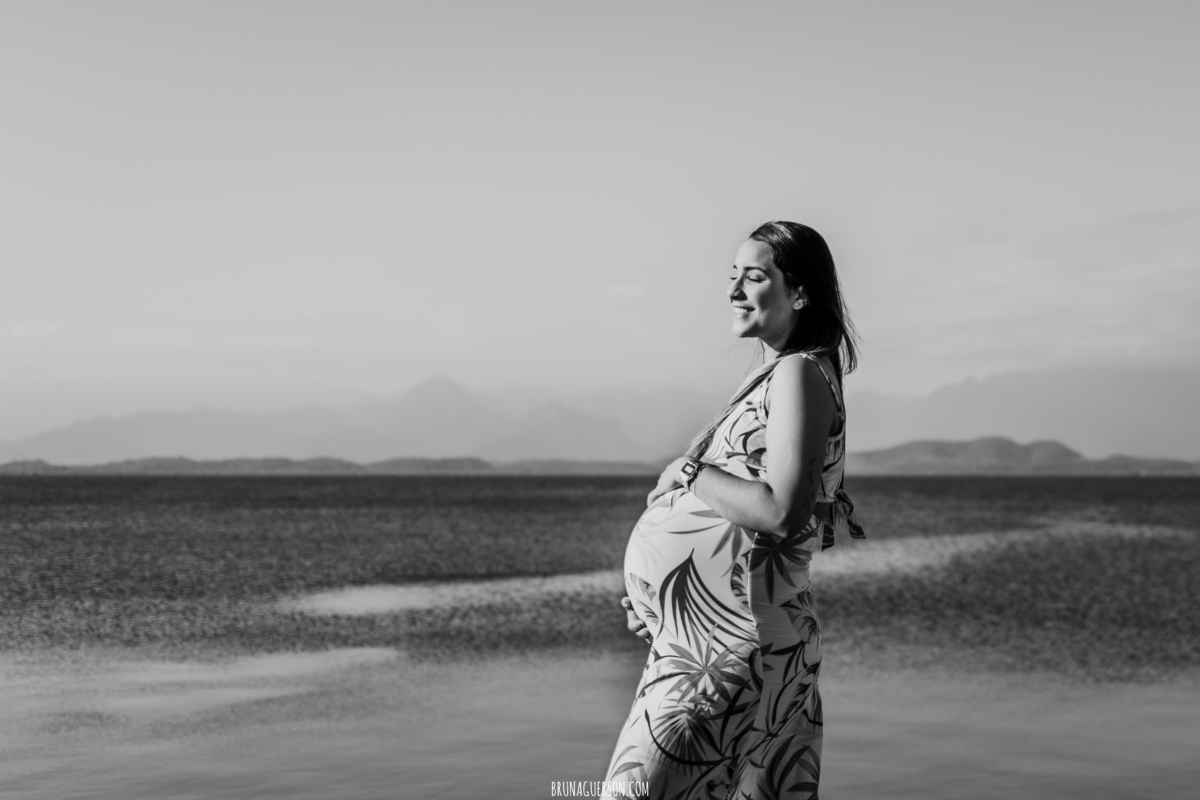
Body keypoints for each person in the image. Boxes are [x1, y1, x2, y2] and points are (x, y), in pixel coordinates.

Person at [601, 221, 865, 800]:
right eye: (732, 277)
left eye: (754, 276)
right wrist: (664, 603)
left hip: (738, 651)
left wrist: (690, 471)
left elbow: (783, 512)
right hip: (716, 645)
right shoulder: (775, 374)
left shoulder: (799, 372)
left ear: (800, 293)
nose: (733, 291)